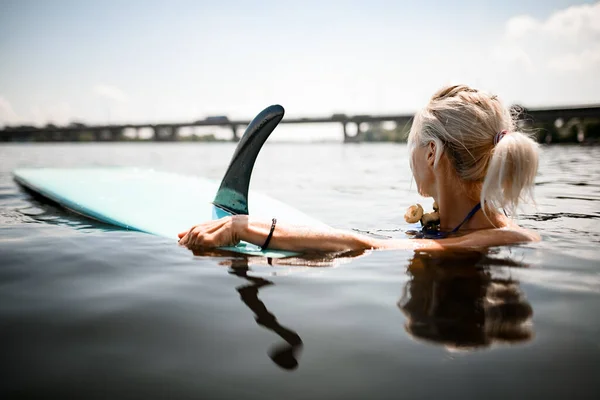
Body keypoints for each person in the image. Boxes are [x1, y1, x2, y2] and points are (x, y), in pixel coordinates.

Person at [179, 84, 540, 252]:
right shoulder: (460, 226)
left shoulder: (505, 238)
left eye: (412, 144)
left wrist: (245, 226)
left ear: (431, 153)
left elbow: (367, 245)